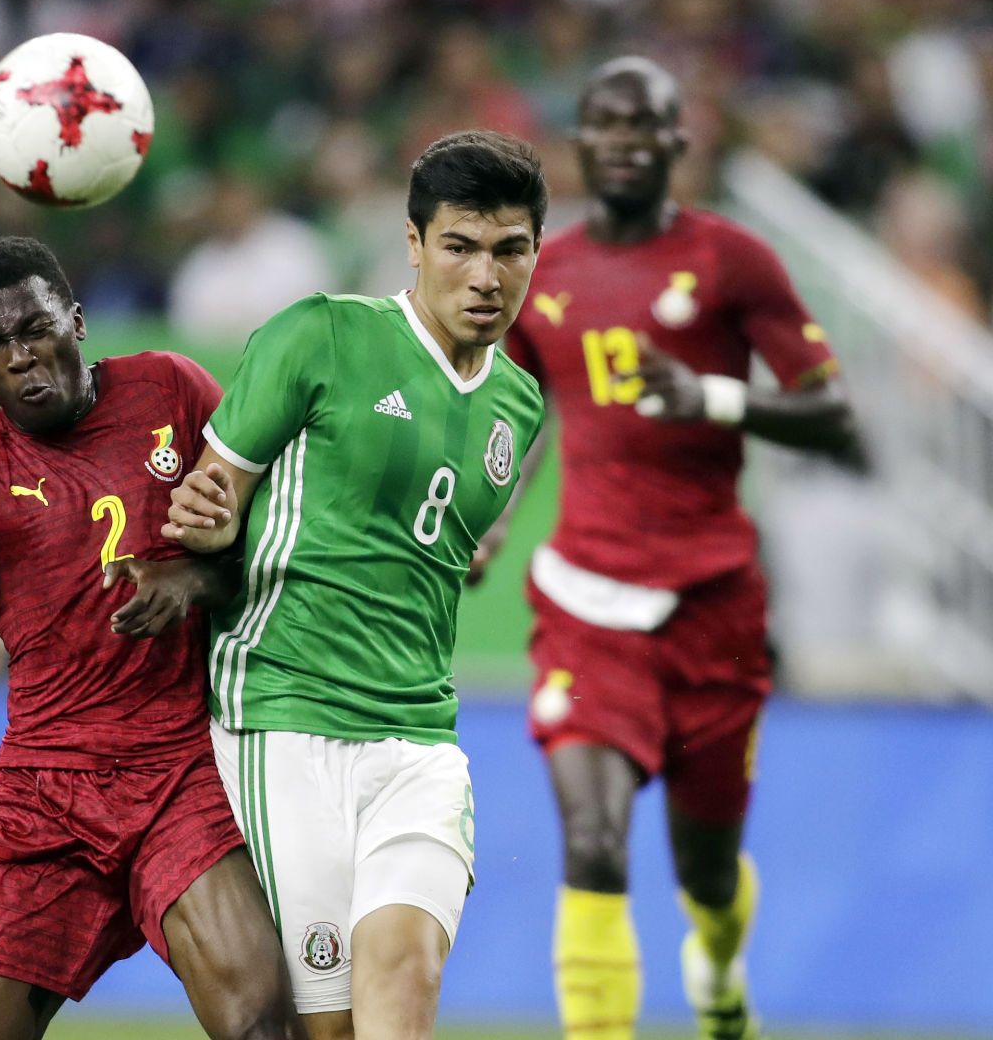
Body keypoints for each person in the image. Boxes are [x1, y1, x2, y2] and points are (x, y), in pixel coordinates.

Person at [0, 236, 302, 1040]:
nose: (21, 357)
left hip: (181, 769)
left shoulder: (172, 388)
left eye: (35, 329)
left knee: (263, 1027)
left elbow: (276, 539)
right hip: (43, 793)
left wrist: (192, 580)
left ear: (76, 321)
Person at [473, 58, 858, 1040]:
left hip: (714, 605)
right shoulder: (544, 275)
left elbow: (832, 411)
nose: (626, 140)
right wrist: (494, 517)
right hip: (586, 603)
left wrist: (713, 399)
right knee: (594, 842)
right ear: (580, 143)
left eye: (646, 123)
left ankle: (721, 973)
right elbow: (521, 419)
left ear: (680, 141)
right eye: (606, 123)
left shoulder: (734, 261)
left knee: (707, 872)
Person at [165, 130, 550, 1040]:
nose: (486, 276)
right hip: (285, 718)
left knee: (405, 978)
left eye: (510, 249)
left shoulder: (520, 405)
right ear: (413, 246)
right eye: (459, 247)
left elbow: (448, 536)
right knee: (325, 1031)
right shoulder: (321, 334)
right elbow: (218, 506)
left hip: (418, 737)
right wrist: (207, 518)